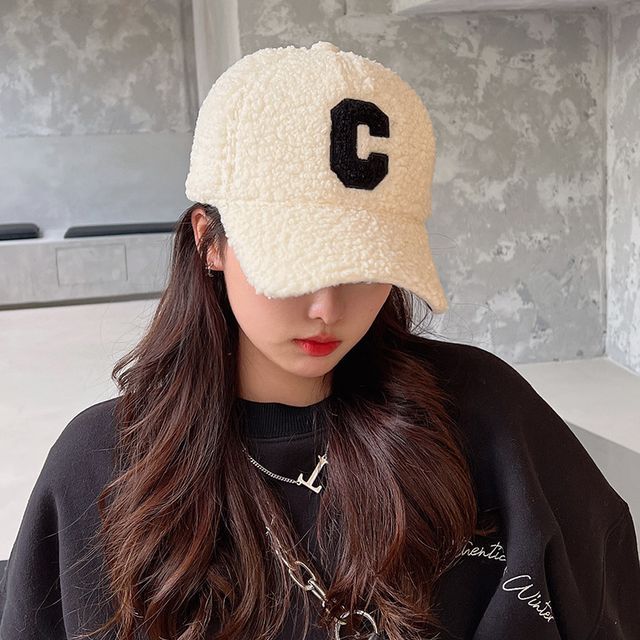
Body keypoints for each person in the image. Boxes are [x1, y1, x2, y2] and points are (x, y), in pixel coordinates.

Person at [1, 40, 638, 640]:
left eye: (363, 266)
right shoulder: (103, 467)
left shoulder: (485, 413)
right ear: (209, 241)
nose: (327, 308)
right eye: (295, 265)